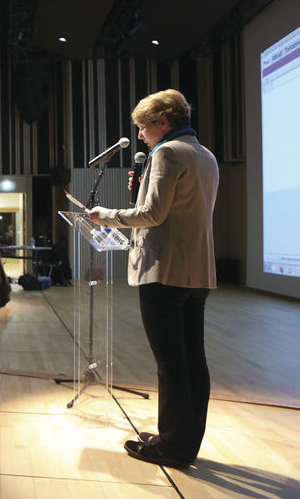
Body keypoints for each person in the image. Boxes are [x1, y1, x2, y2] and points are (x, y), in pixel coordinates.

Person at [86, 89, 219, 469]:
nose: (141, 135)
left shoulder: (167, 152)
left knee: (170, 364)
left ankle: (172, 448)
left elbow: (152, 214)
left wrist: (106, 215)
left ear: (163, 121)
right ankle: (183, 439)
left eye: (143, 127)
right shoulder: (205, 155)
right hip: (197, 272)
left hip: (164, 271)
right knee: (193, 360)